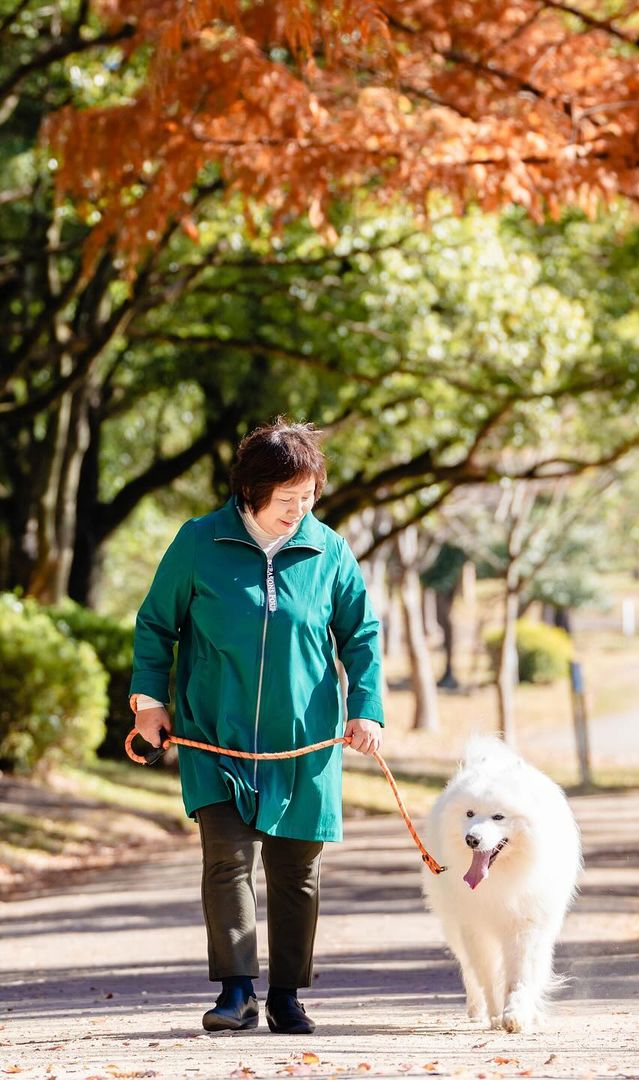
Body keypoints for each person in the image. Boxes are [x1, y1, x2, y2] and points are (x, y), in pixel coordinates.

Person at [129, 418, 383, 1035]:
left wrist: (366, 708)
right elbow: (156, 625)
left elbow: (361, 634)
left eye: (308, 498)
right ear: (250, 492)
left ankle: (288, 995)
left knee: (298, 869)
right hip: (214, 733)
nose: (299, 511)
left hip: (305, 740)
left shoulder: (329, 551)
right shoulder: (198, 543)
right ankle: (237, 990)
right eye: (287, 499)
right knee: (227, 861)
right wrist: (148, 702)